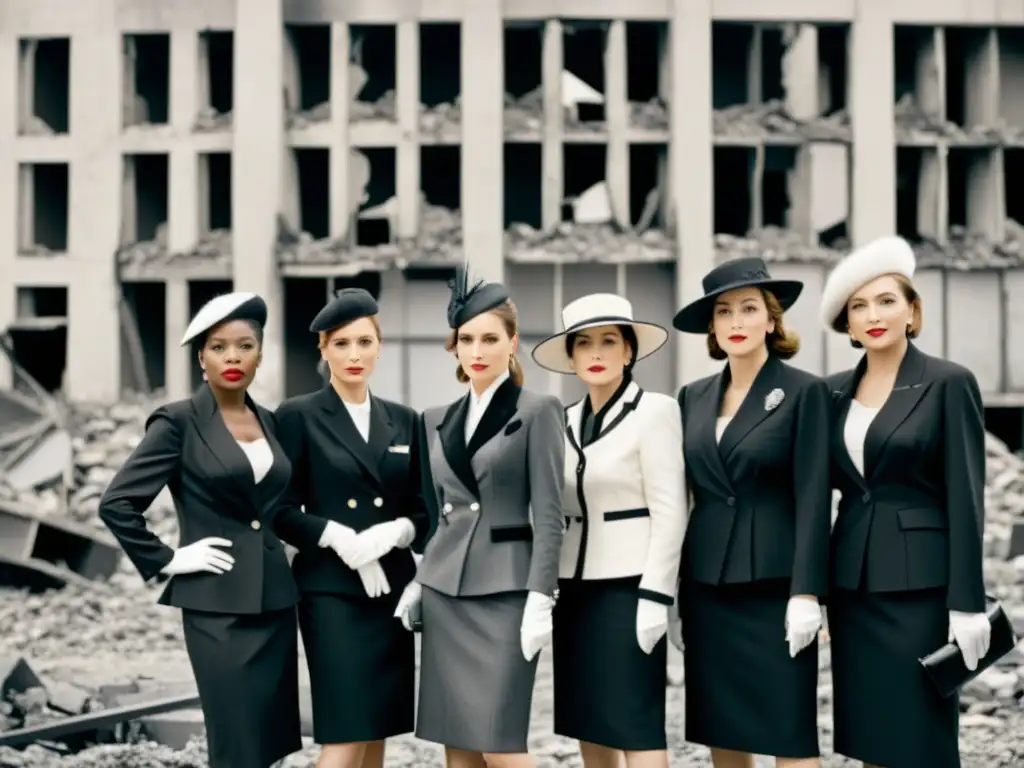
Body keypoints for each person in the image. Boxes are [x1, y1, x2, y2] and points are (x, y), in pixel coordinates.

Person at [98, 292, 306, 768]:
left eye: (245, 345)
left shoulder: (270, 422)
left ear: (260, 353)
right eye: (219, 347)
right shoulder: (178, 422)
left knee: (270, 741)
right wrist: (169, 558)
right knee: (236, 742)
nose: (233, 357)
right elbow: (117, 503)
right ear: (201, 357)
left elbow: (276, 509)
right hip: (216, 608)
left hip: (275, 603)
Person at [819, 236, 991, 768]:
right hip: (852, 585)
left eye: (887, 301)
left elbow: (967, 496)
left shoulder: (947, 383)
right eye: (859, 306)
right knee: (870, 728)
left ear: (913, 311)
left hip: (920, 585)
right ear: (847, 325)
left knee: (920, 729)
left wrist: (967, 602)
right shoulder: (829, 394)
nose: (874, 315)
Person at [392, 267, 565, 768]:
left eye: (490, 338)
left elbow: (550, 514)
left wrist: (541, 596)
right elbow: (435, 517)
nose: (477, 350)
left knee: (500, 743)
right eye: (466, 339)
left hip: (507, 593)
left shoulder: (538, 410)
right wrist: (421, 582)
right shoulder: (434, 419)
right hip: (446, 593)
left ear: (513, 343)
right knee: (460, 744)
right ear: (454, 347)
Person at [670, 257, 831, 768]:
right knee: (725, 725)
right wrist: (673, 596)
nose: (736, 322)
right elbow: (682, 498)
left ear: (771, 319)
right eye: (724, 312)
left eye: (748, 309)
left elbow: (814, 495)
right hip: (708, 586)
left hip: (776, 585)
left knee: (790, 730)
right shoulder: (692, 397)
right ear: (712, 327)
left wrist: (807, 592)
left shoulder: (805, 391)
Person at [274, 288, 432, 768]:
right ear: (323, 351)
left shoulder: (405, 420)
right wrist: (339, 538)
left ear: (379, 346)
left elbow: (426, 512)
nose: (354, 355)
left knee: (377, 729)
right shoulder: (297, 415)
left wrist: (396, 533)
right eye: (341, 344)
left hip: (391, 594)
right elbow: (279, 510)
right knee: (345, 733)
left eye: (364, 342)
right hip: (331, 592)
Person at [530, 293, 685, 768]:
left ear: (629, 351)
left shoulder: (655, 411)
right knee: (588, 720)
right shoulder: (561, 419)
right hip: (573, 589)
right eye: (584, 344)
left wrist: (657, 597)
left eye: (609, 341)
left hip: (630, 588)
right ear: (571, 356)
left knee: (635, 723)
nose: (595, 354)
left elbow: (672, 510)